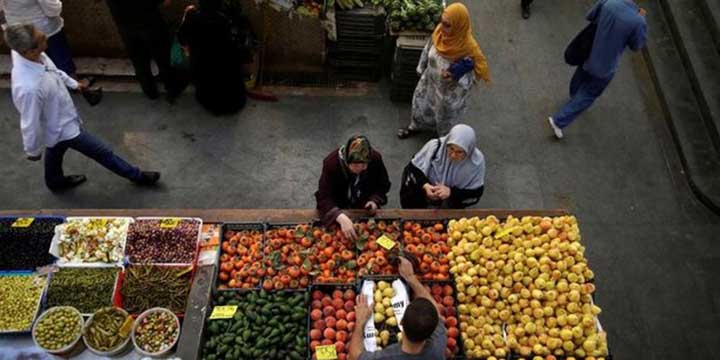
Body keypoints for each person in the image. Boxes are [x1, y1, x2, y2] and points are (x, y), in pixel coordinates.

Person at [5, 24, 160, 191]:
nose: (45, 35)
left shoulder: (32, 55)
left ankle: (55, 182)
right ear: (29, 51)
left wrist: (75, 85)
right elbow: (29, 122)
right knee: (102, 152)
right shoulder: (29, 88)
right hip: (63, 127)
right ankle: (136, 176)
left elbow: (54, 71)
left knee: (56, 149)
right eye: (41, 38)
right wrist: (33, 150)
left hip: (58, 122)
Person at [547, 0, 647, 139]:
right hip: (606, 64)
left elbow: (590, 16)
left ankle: (574, 95)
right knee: (590, 94)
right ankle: (559, 120)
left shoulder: (610, 2)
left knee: (582, 72)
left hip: (589, 50)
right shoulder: (638, 22)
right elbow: (636, 45)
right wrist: (641, 18)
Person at [397, 2, 490, 139]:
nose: (443, 28)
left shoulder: (467, 48)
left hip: (449, 93)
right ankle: (415, 126)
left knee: (444, 118)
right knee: (421, 105)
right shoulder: (439, 33)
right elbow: (428, 48)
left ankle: (443, 141)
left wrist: (454, 76)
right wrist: (421, 66)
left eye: (448, 25)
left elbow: (470, 80)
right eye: (442, 22)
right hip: (429, 82)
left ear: (459, 25)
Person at [349, 257, 446, 360]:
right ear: (432, 330)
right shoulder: (437, 344)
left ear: (401, 322)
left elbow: (354, 356)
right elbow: (436, 312)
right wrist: (410, 277)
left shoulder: (387, 357)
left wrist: (360, 321)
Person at [177, 0, 248, 115]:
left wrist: (186, 17)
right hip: (232, 95)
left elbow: (181, 39)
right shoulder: (225, 20)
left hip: (207, 95)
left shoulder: (193, 18)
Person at [315, 136, 391, 240]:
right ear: (346, 161)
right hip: (338, 208)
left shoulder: (375, 158)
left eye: (365, 164)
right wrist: (339, 216)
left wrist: (374, 200)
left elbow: (383, 184)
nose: (363, 168)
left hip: (364, 211)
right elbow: (323, 196)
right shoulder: (331, 164)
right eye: (356, 165)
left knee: (378, 240)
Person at [105, 0, 181, 101]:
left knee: (140, 63)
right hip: (149, 24)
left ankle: (150, 92)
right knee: (162, 58)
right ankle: (171, 89)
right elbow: (167, 2)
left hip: (126, 28)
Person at [400, 124, 485, 209]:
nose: (453, 155)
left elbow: (476, 192)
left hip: (451, 206)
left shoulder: (476, 162)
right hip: (422, 199)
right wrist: (425, 185)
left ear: (468, 151)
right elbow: (413, 168)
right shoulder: (435, 146)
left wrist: (451, 193)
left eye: (459, 152)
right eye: (451, 148)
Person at [0, 0, 77, 77]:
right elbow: (53, 10)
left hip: (18, 31)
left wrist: (6, 27)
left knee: (34, 64)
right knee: (61, 58)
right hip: (45, 29)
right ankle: (71, 82)